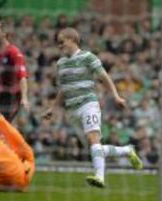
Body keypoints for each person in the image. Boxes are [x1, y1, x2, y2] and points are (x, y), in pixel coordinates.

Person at [42, 27, 142, 188]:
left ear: (72, 40)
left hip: (88, 104)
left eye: (61, 42)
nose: (59, 46)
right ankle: (127, 151)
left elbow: (104, 77)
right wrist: (53, 108)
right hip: (72, 110)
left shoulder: (88, 57)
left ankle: (99, 177)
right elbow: (64, 89)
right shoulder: (60, 63)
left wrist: (116, 96)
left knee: (93, 138)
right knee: (95, 147)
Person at [0, 21, 30, 121]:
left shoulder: (14, 52)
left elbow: (22, 76)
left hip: (12, 97)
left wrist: (24, 97)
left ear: (4, 33)